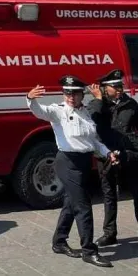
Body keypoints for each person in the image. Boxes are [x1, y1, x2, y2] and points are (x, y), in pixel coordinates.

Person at [27, 76, 118, 268]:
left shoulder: (85, 112)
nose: (70, 97)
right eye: (67, 93)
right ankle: (89, 251)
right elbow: (40, 111)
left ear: (81, 95)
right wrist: (30, 98)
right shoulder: (58, 111)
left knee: (70, 203)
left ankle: (59, 242)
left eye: (74, 93)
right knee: (83, 206)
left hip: (84, 162)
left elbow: (92, 142)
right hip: (67, 162)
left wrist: (107, 153)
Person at [87, 69, 138, 247]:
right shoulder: (98, 105)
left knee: (137, 192)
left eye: (120, 86)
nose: (119, 90)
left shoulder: (130, 104)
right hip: (106, 156)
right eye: (114, 87)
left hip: (129, 154)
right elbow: (91, 120)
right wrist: (98, 99)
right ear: (104, 88)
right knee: (109, 195)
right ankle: (110, 233)